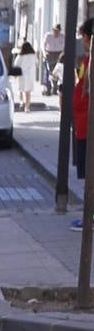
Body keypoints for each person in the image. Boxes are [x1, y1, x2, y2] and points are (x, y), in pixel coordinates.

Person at [72, 20, 92, 230]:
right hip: (82, 126)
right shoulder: (87, 60)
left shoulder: (91, 62)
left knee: (90, 176)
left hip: (88, 127)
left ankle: (90, 218)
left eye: (83, 36)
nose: (82, 41)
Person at [15, 41, 38, 112]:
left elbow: (16, 64)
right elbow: (37, 63)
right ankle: (27, 108)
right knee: (28, 92)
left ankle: (21, 101)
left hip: (21, 74)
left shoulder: (20, 56)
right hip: (30, 75)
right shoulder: (33, 55)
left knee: (20, 89)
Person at [44, 24, 64, 95]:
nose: (56, 33)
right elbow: (44, 44)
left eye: (57, 31)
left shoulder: (62, 37)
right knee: (50, 71)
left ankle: (55, 88)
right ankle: (48, 88)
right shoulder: (48, 36)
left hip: (59, 54)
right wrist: (44, 52)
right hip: (50, 53)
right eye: (55, 31)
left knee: (58, 71)